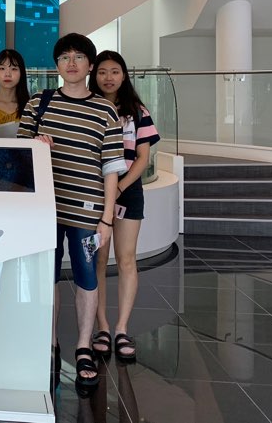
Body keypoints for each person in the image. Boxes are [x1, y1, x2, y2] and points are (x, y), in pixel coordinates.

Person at [17, 33, 125, 389]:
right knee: (45, 276)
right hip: (44, 211)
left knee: (87, 277)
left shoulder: (105, 110)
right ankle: (49, 342)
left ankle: (82, 345)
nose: (72, 63)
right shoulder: (39, 103)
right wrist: (37, 147)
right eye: (64, 57)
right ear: (57, 65)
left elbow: (111, 169)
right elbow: (20, 156)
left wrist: (106, 219)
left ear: (90, 65)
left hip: (87, 213)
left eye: (79, 57)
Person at [88, 51, 160, 363]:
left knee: (127, 259)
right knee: (99, 260)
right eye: (102, 72)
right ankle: (102, 327)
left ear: (124, 75)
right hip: (95, 191)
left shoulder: (138, 111)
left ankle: (121, 328)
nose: (108, 78)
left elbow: (143, 158)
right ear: (94, 75)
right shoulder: (89, 107)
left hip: (128, 192)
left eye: (114, 71)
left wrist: (119, 187)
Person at [0, 48, 30, 136]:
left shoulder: (30, 107)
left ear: (21, 73)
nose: (7, 74)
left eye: (14, 69)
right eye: (2, 68)